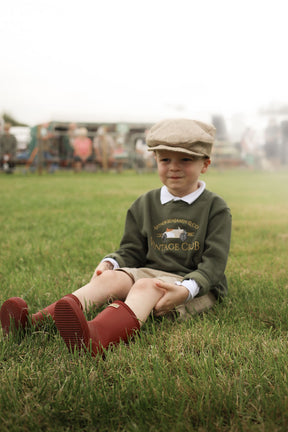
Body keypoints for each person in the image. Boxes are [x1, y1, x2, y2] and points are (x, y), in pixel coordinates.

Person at [0, 118, 232, 358]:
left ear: (205, 164)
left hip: (194, 285)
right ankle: (34, 324)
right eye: (165, 159)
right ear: (155, 160)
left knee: (145, 286)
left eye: (185, 159)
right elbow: (131, 249)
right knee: (110, 279)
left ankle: (96, 336)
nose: (174, 167)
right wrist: (111, 262)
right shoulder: (144, 204)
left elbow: (214, 265)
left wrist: (185, 291)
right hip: (151, 271)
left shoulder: (215, 208)